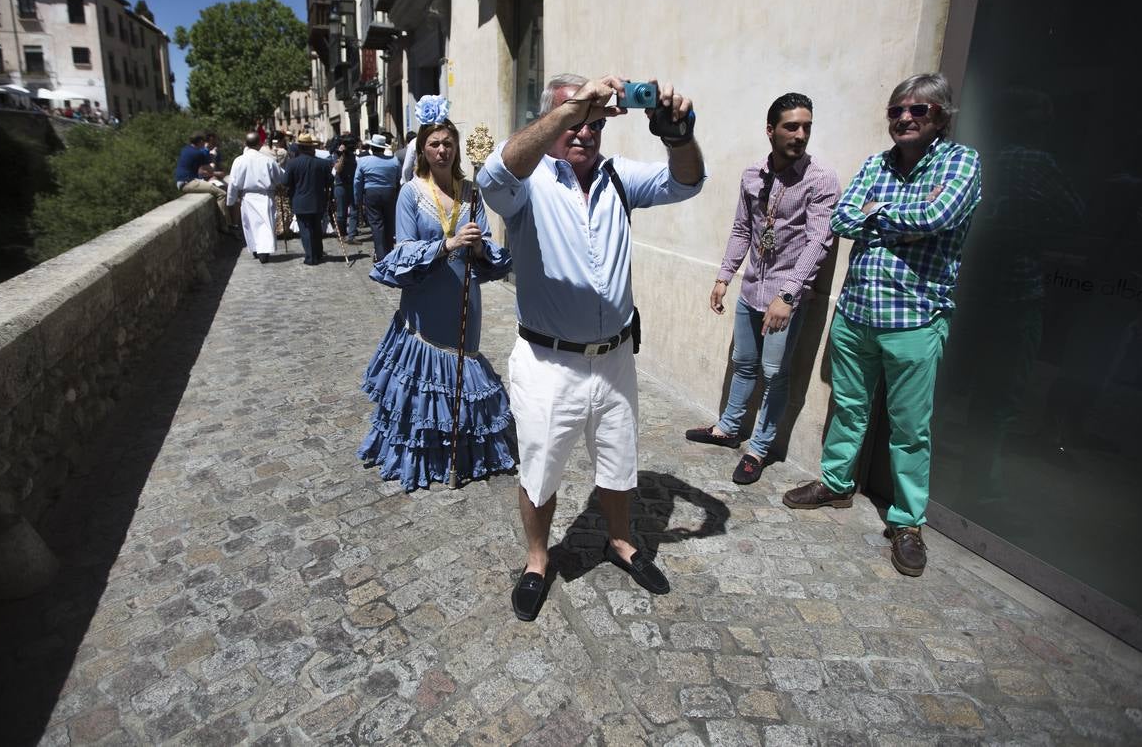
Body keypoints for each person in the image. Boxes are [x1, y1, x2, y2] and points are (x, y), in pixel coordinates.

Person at [478, 73, 705, 621]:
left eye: (594, 123)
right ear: (550, 121)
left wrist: (679, 136)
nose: (584, 132)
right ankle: (537, 561)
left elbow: (687, 183)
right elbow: (492, 177)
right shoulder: (529, 181)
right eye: (573, 122)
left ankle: (620, 542)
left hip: (615, 357)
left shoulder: (617, 175)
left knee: (619, 459)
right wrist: (574, 106)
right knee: (540, 468)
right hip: (548, 361)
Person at [781, 72, 982, 577]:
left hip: (914, 319)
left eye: (918, 110)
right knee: (848, 406)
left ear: (941, 115)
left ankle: (907, 522)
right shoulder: (875, 163)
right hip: (856, 314)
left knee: (910, 429)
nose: (906, 118)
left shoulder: (961, 162)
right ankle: (835, 483)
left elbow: (937, 216)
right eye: (897, 111)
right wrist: (892, 218)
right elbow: (843, 220)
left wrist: (880, 212)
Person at [685, 93, 841, 484]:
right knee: (743, 363)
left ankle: (759, 447)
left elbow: (818, 242)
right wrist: (724, 277)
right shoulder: (752, 174)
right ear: (770, 130)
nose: (800, 134)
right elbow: (743, 228)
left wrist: (787, 295)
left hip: (784, 298)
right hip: (751, 289)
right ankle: (729, 428)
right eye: (791, 126)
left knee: (774, 373)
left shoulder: (821, 180)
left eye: (806, 126)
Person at [360, 115, 516, 490]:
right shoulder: (411, 193)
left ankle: (466, 453)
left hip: (464, 292)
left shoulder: (472, 191)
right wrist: (446, 244)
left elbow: (487, 244)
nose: (442, 150)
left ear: (456, 148)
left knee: (466, 361)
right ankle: (425, 453)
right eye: (434, 144)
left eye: (448, 143)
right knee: (427, 374)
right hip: (426, 296)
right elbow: (405, 250)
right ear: (423, 151)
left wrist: (478, 245)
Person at [226, 131, 286, 263]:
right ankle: (263, 251)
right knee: (265, 224)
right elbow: (280, 177)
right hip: (265, 196)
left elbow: (233, 183)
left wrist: (230, 200)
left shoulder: (239, 161)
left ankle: (255, 249)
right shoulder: (267, 161)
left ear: (245, 144)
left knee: (250, 225)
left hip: (247, 197)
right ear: (260, 143)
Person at [284, 134, 334, 265]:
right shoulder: (323, 163)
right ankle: (318, 253)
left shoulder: (292, 163)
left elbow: (285, 182)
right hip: (318, 200)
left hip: (300, 201)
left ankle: (311, 257)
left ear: (299, 147)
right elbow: (330, 181)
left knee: (305, 229)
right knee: (316, 227)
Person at [355, 133, 402, 261]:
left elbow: (357, 181)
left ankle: (381, 255)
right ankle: (389, 251)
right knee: (389, 223)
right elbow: (399, 178)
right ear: (383, 148)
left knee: (376, 224)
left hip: (371, 193)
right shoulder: (394, 161)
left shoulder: (363, 161)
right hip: (390, 193)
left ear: (372, 147)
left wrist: (358, 198)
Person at [174, 132, 231, 232]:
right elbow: (210, 170)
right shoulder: (199, 153)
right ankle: (224, 225)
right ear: (200, 142)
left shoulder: (186, 149)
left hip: (181, 181)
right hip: (189, 183)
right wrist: (213, 156)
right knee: (222, 193)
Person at [332, 137, 360, 244]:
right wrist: (342, 155)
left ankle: (351, 235)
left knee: (354, 211)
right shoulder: (336, 155)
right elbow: (337, 169)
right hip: (340, 186)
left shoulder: (354, 156)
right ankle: (342, 234)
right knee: (341, 213)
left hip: (352, 186)